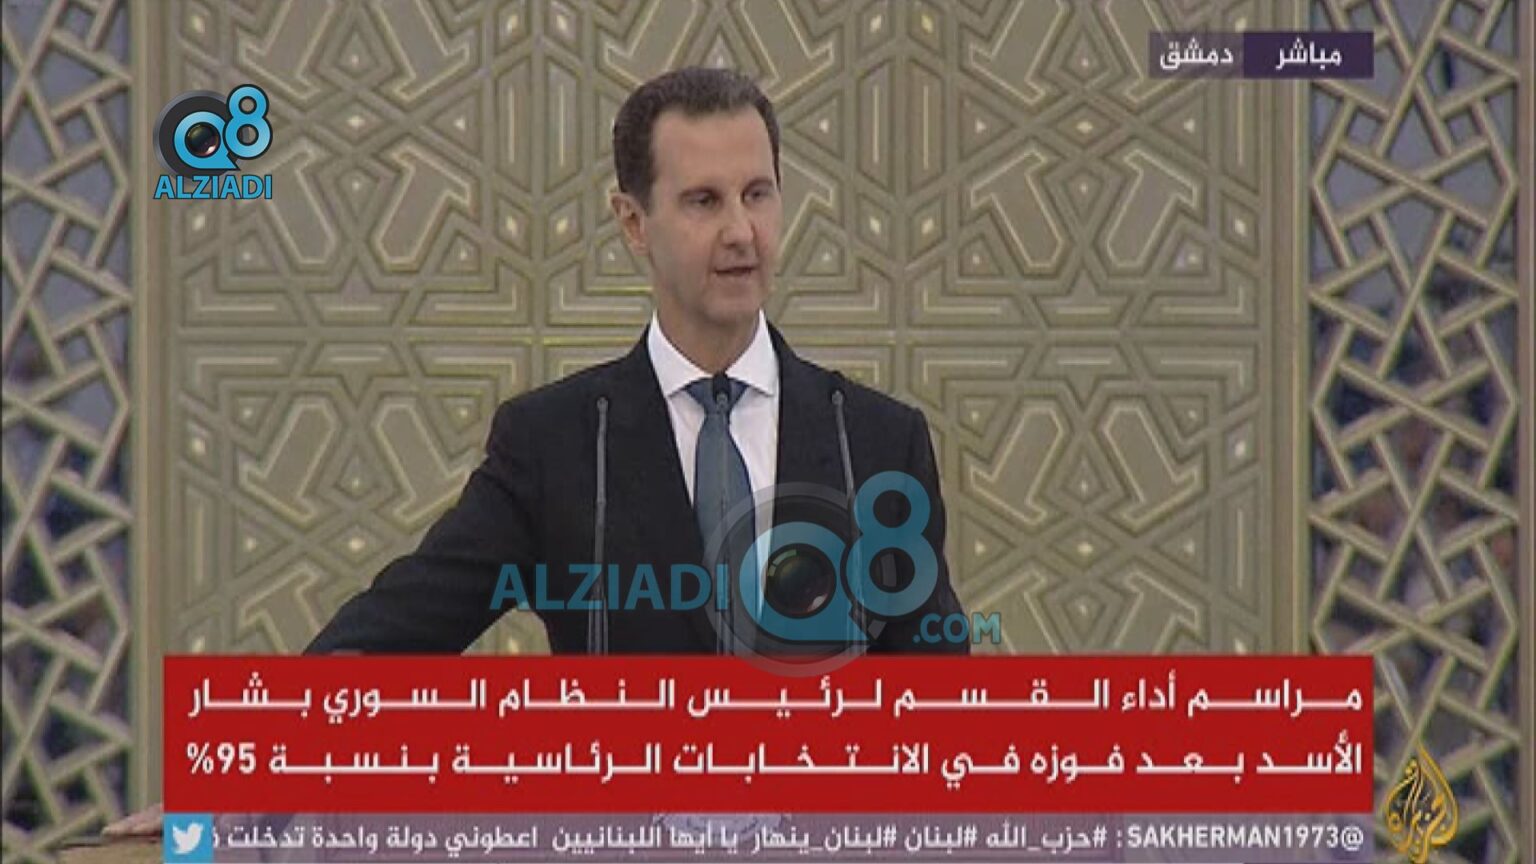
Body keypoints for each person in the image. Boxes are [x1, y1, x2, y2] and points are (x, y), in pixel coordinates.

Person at [104, 66, 965, 837]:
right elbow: (405, 622)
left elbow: (935, 701)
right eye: (704, 201)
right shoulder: (554, 442)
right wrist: (256, 759)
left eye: (758, 194)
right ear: (634, 222)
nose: (742, 230)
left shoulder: (879, 439)